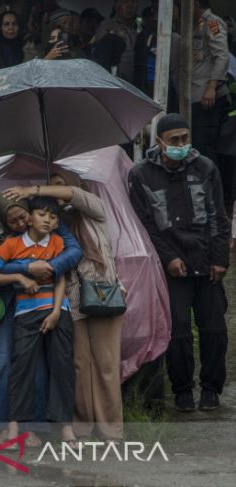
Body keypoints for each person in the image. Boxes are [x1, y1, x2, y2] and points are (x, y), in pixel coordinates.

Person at [4, 171, 125, 442]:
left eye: (59, 187)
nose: (55, 192)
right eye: (52, 187)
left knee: (106, 364)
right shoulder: (57, 224)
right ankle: (81, 427)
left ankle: (110, 430)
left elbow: (73, 195)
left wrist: (35, 189)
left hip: (104, 294)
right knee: (79, 364)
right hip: (73, 299)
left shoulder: (95, 209)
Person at [129, 114, 230, 412]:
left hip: (207, 261)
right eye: (174, 140)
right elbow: (145, 225)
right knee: (179, 332)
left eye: (185, 138)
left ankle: (211, 389)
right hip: (171, 267)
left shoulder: (205, 168)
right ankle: (182, 390)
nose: (181, 145)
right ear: (160, 142)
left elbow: (218, 216)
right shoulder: (141, 175)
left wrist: (220, 259)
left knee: (214, 330)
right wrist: (168, 258)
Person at [0, 194, 82, 445]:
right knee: (22, 369)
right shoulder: (12, 245)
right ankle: (14, 427)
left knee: (62, 367)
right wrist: (19, 278)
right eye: (41, 215)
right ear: (29, 218)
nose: (48, 220)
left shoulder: (59, 242)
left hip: (57, 312)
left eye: (53, 216)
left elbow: (60, 277)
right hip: (25, 314)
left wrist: (55, 312)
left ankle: (65, 428)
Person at [191, 0, 230, 190]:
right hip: (195, 94)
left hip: (207, 96)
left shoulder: (212, 22)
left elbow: (222, 56)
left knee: (205, 146)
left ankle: (214, 191)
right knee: (197, 144)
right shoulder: (192, 25)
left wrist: (212, 86)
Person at [95, 0, 139, 82]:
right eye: (125, 2)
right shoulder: (107, 26)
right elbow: (103, 59)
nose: (130, 6)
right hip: (114, 83)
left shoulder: (135, 31)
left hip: (133, 85)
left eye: (134, 2)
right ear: (116, 6)